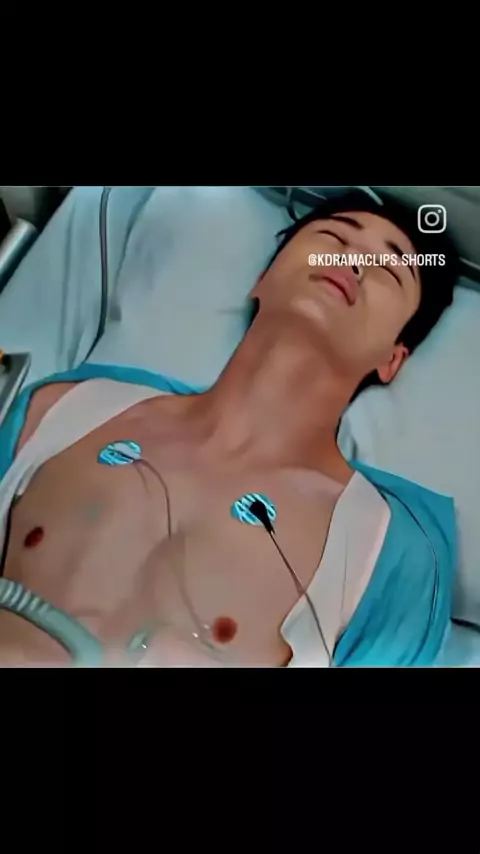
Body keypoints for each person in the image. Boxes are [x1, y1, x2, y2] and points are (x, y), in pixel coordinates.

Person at [0, 188, 459, 667]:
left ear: (392, 359)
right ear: (262, 280)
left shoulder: (388, 554)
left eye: (388, 268)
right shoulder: (61, 408)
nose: (351, 261)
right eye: (333, 238)